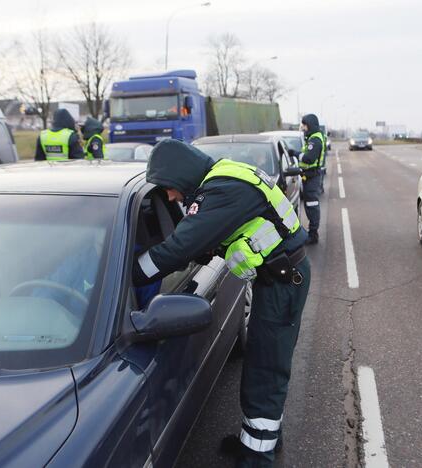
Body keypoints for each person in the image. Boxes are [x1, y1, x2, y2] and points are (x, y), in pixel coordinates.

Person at [132, 139, 311, 467]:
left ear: (180, 174)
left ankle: (258, 457)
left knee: (266, 367)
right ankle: (257, 441)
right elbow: (207, 241)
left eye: (169, 188)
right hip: (279, 276)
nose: (171, 197)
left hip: (285, 280)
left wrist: (131, 272)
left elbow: (178, 250)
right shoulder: (225, 178)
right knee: (263, 361)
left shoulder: (222, 189)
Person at [298, 114, 325, 245]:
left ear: (310, 125)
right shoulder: (313, 138)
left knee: (312, 205)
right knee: (310, 205)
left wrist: (295, 154)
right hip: (309, 176)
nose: (303, 127)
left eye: (305, 124)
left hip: (312, 176)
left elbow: (309, 158)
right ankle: (312, 232)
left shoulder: (315, 140)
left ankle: (313, 234)